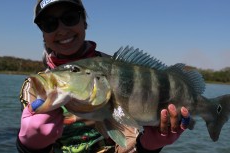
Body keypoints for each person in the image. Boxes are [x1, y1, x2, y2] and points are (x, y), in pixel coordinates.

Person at [17, 0, 191, 153]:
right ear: (43, 33)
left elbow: (126, 143)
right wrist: (30, 147)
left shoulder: (117, 70)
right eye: (49, 23)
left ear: (84, 22)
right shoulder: (34, 87)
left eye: (70, 18)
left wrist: (147, 146)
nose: (62, 30)